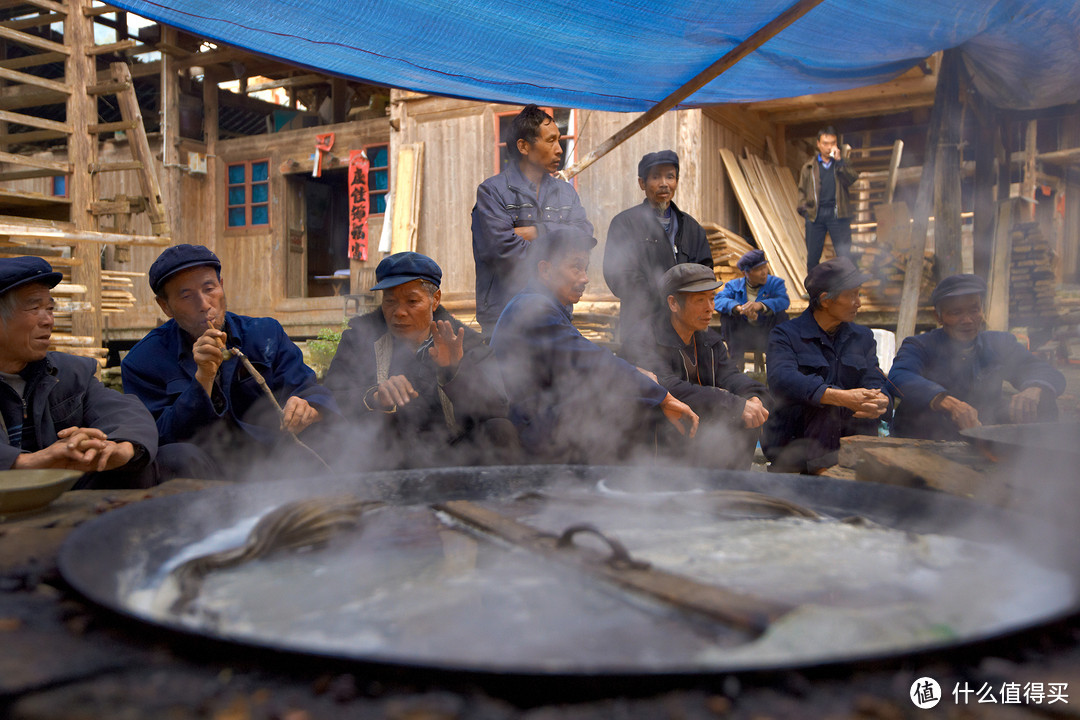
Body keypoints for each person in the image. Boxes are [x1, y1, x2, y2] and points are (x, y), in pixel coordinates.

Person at [490, 227, 699, 464]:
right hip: (528, 425)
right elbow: (592, 362)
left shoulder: (542, 304)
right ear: (545, 269)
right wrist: (661, 397)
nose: (585, 278)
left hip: (541, 416)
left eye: (586, 268)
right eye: (576, 267)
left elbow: (582, 357)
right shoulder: (534, 308)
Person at [121, 244, 337, 471]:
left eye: (209, 288)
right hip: (203, 471)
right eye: (186, 295)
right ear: (165, 306)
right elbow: (157, 436)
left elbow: (309, 389)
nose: (204, 305)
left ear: (221, 286)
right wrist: (203, 379)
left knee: (331, 434)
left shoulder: (264, 334)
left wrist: (309, 406)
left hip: (273, 462)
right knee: (176, 456)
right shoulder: (143, 362)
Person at [0, 257, 200, 488]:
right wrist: (32, 462)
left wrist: (119, 447)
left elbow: (126, 411)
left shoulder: (66, 372)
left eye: (50, 308)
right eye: (35, 308)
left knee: (178, 457)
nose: (48, 320)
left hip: (62, 493)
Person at [322, 252, 515, 468]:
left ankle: (498, 498)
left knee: (499, 429)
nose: (399, 312)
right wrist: (374, 397)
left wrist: (456, 371)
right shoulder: (360, 338)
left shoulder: (463, 341)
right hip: (384, 456)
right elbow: (332, 397)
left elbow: (496, 407)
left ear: (435, 300)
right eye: (390, 301)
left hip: (453, 457)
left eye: (412, 301)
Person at [621, 264, 771, 469]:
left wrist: (753, 395)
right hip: (657, 435)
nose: (710, 307)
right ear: (673, 303)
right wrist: (732, 403)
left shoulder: (709, 339)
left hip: (701, 428)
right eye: (700, 300)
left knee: (748, 414)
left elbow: (730, 375)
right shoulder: (643, 338)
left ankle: (730, 488)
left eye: (712, 298)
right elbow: (666, 386)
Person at [888, 274, 1066, 440]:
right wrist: (947, 402)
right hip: (932, 433)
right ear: (939, 317)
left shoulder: (999, 343)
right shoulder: (920, 345)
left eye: (974, 310)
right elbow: (899, 376)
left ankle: (1037, 463)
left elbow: (1044, 371)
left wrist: (1034, 389)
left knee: (1043, 399)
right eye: (956, 312)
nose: (967, 320)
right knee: (918, 413)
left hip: (982, 428)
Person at [471, 104, 593, 334]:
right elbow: (502, 251)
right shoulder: (492, 192)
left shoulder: (565, 192)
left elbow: (584, 238)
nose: (559, 149)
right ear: (524, 146)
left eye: (559, 140)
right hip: (504, 319)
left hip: (556, 314)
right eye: (550, 141)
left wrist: (536, 231)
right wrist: (558, 246)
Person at [762, 257, 890, 474]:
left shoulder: (863, 337)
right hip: (795, 442)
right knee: (826, 401)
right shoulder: (786, 335)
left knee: (865, 404)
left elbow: (874, 377)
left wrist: (880, 398)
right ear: (825, 300)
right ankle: (821, 473)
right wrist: (836, 396)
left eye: (858, 294)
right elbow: (781, 378)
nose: (858, 303)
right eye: (851, 295)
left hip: (847, 441)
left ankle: (865, 468)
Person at [603, 150, 713, 339]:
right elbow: (618, 275)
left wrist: (684, 302)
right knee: (645, 368)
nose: (664, 183)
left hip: (686, 326)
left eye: (670, 176)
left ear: (676, 181)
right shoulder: (625, 223)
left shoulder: (693, 229)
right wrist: (664, 298)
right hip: (641, 327)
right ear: (642, 183)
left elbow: (705, 273)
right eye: (655, 177)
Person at [797, 126, 858, 271]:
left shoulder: (843, 163)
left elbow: (851, 179)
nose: (829, 147)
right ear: (818, 143)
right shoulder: (809, 167)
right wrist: (805, 210)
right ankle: (813, 291)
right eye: (825, 143)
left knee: (844, 256)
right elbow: (801, 191)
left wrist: (839, 161)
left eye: (832, 143)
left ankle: (848, 290)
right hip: (815, 215)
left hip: (838, 214)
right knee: (812, 257)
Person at [714, 249, 790, 365]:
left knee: (781, 314)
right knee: (727, 315)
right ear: (745, 273)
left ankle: (777, 362)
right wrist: (739, 308)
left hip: (767, 335)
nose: (764, 272)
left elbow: (783, 301)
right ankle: (737, 364)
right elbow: (718, 300)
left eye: (764, 267)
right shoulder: (733, 285)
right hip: (742, 337)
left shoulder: (775, 283)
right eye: (758, 270)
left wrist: (760, 305)